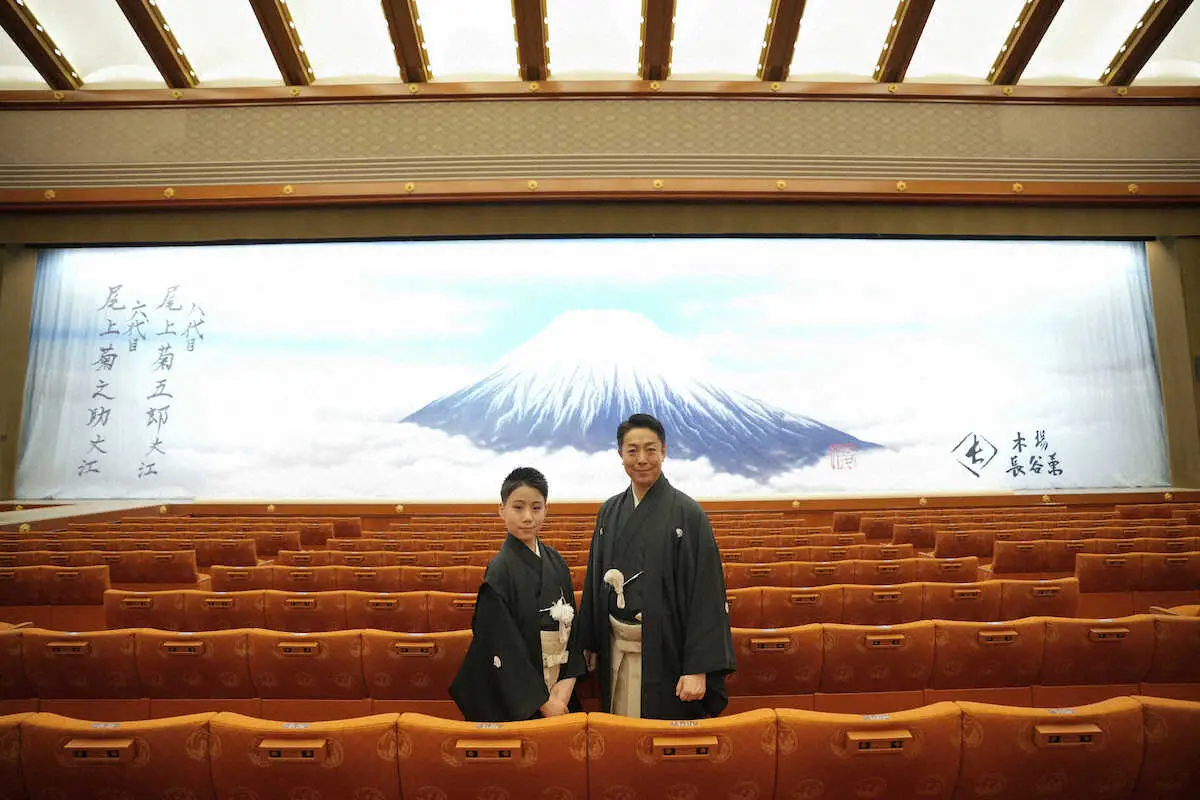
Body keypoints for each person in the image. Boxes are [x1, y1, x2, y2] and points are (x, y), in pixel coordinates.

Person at [577, 413, 735, 719]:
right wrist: (590, 642)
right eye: (632, 450)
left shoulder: (688, 514)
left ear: (664, 451)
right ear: (620, 454)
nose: (642, 459)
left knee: (660, 740)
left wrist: (698, 668)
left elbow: (707, 594)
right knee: (619, 732)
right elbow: (596, 579)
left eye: (651, 449)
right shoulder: (610, 511)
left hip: (668, 654)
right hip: (616, 649)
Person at [450, 466, 585, 721]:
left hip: (560, 689)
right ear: (501, 510)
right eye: (518, 507)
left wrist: (566, 684)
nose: (527, 517)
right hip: (524, 698)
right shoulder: (500, 571)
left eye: (536, 508)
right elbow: (502, 645)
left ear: (547, 509)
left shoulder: (556, 561)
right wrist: (544, 703)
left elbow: (573, 632)